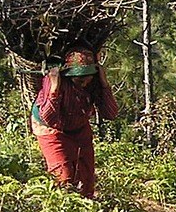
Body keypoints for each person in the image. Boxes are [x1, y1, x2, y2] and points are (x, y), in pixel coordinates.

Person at [30, 47, 119, 199]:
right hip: (52, 130)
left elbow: (110, 113)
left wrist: (104, 85)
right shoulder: (55, 80)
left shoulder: (94, 83)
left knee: (86, 178)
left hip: (79, 127)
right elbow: (49, 118)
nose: (84, 81)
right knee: (64, 177)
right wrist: (54, 89)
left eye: (88, 76)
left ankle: (87, 210)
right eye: (79, 78)